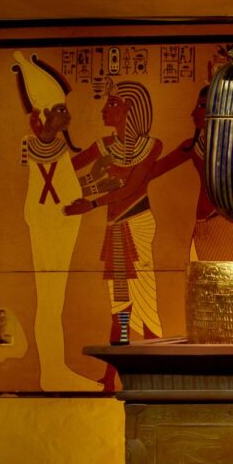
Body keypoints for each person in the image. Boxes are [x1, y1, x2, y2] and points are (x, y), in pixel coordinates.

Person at [12, 51, 104, 391]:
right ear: (44, 115)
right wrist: (86, 195)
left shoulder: (56, 149)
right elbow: (51, 190)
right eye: (61, 110)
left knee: (54, 301)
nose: (68, 115)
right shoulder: (33, 146)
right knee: (50, 300)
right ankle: (52, 371)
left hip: (59, 223)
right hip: (49, 224)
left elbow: (67, 187)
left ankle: (54, 368)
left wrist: (92, 190)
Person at [64, 81, 163, 388]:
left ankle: (155, 373)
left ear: (131, 109)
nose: (104, 109)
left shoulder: (151, 146)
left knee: (144, 302)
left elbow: (132, 187)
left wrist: (91, 202)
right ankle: (112, 377)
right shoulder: (104, 146)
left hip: (136, 223)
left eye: (113, 104)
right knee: (120, 307)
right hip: (115, 229)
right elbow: (67, 168)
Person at [149, 85, 233, 261]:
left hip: (228, 223)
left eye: (201, 106)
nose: (193, 113)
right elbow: (154, 170)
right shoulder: (194, 146)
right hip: (202, 223)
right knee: (204, 275)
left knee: (227, 276)